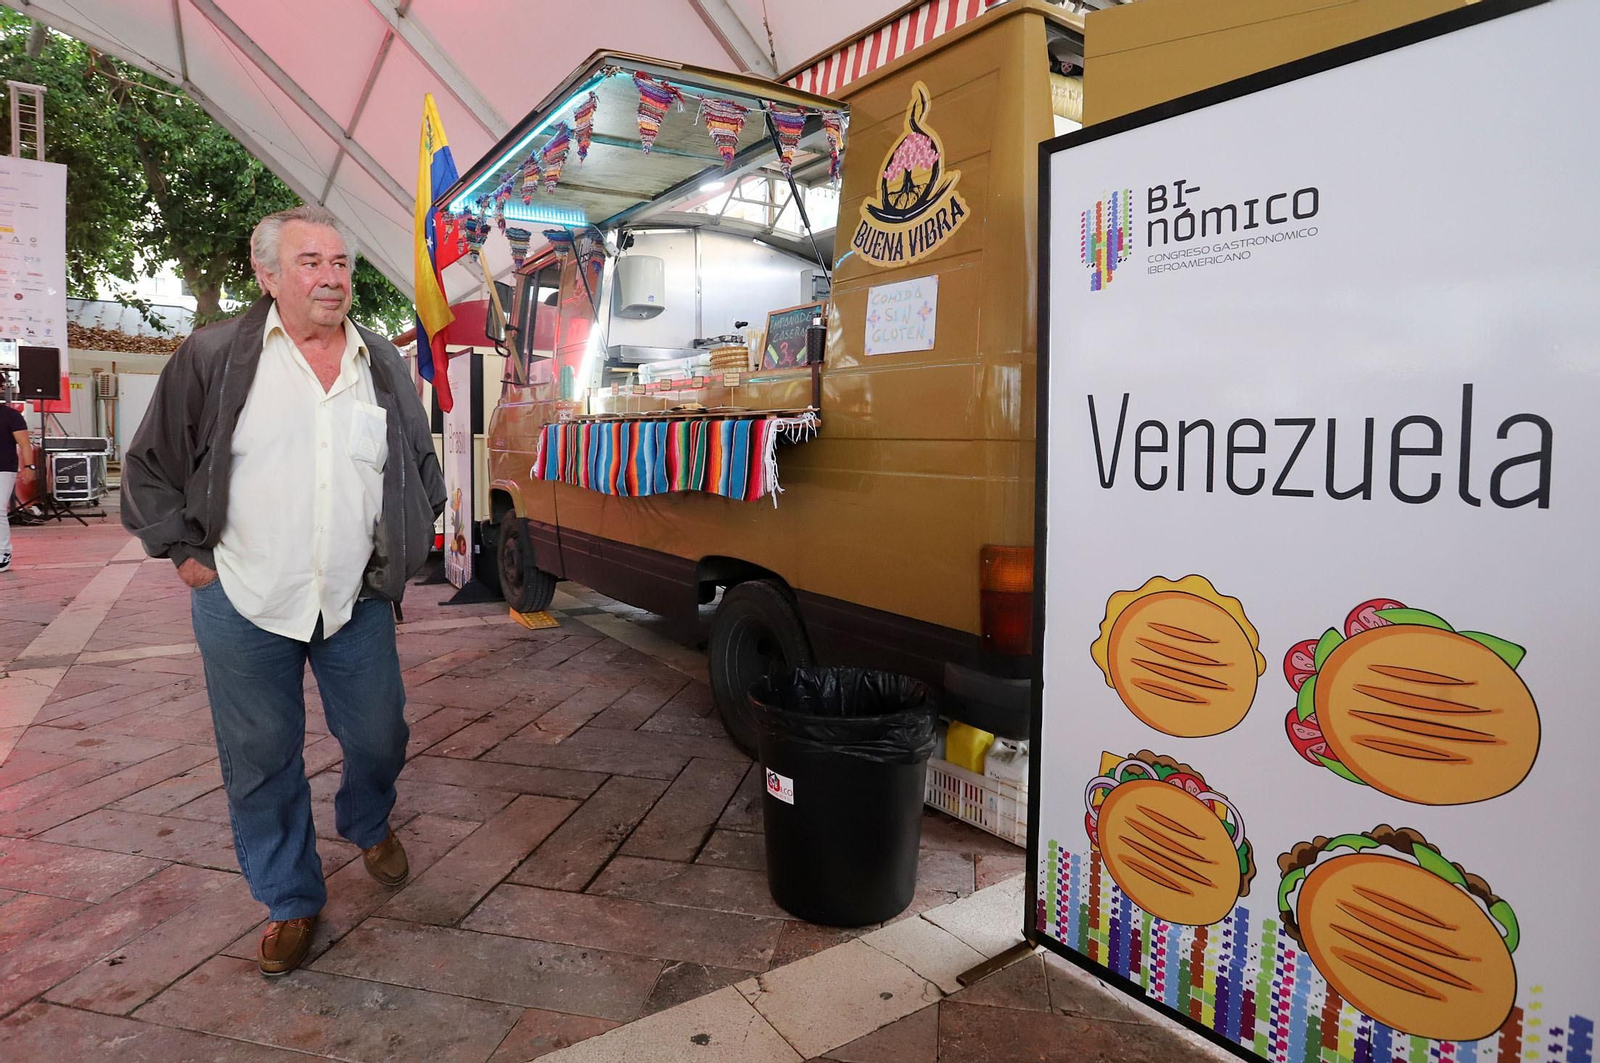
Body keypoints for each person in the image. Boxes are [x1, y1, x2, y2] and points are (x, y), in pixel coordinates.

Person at [121, 204, 446, 976]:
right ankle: (292, 900)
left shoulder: (381, 362)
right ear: (268, 275)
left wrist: (409, 539)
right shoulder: (214, 355)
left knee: (380, 734)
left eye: (340, 263)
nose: (331, 277)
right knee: (261, 756)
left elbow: (417, 466)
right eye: (311, 262)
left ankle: (366, 817)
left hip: (354, 597)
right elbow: (150, 465)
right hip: (242, 597)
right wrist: (183, 553)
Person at [1, 396, 35, 572]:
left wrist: (29, 466)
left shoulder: (11, 415)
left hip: (3, 468)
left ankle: (3, 553)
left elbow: (24, 444)